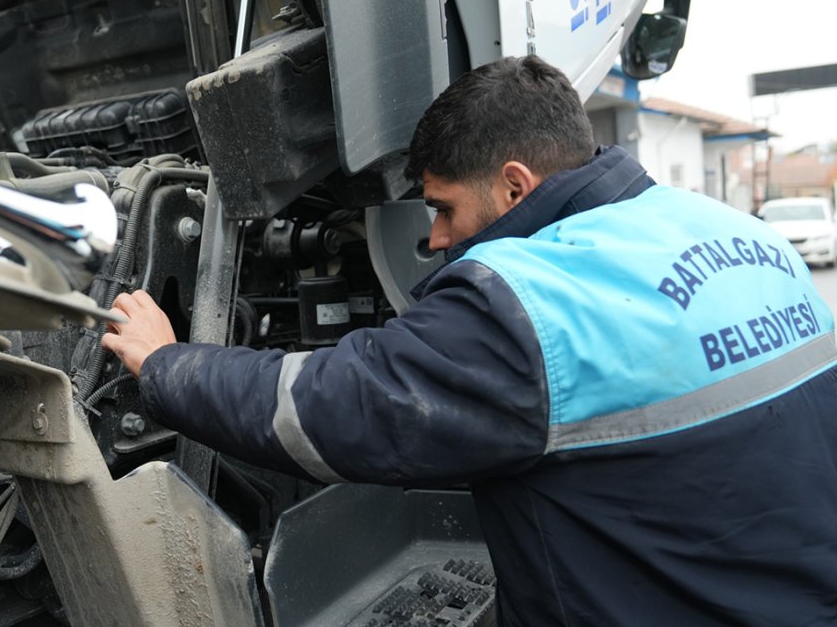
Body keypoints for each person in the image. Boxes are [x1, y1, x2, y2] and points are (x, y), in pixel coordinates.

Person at [101, 55, 837, 626]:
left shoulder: (532, 302)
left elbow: (335, 406)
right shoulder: (746, 236)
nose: (435, 237)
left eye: (444, 207)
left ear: (515, 185)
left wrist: (166, 362)